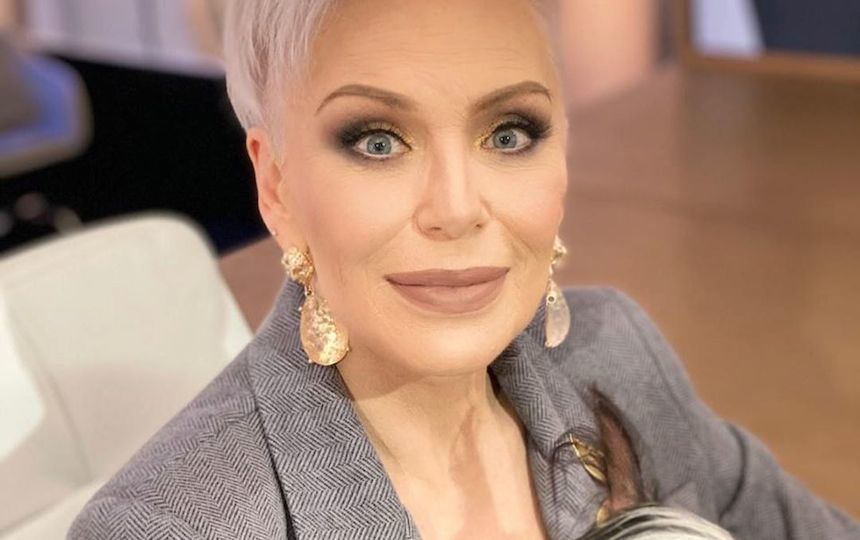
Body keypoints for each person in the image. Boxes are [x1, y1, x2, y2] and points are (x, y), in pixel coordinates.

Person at [69, 0, 859, 538]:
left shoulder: (619, 354)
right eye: (378, 141)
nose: (456, 208)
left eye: (509, 134)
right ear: (276, 186)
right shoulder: (169, 526)